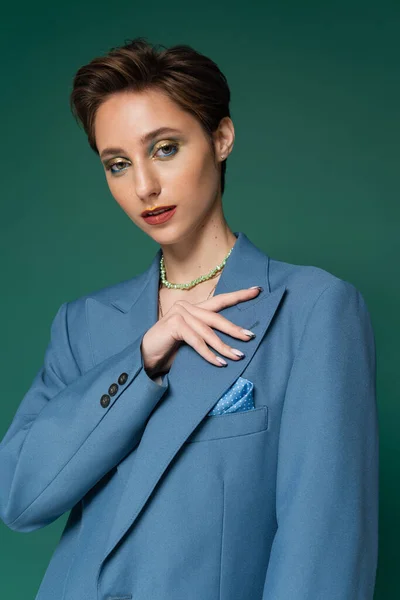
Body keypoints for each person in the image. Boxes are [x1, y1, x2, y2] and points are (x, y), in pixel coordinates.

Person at [0, 37, 379, 599]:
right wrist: (144, 357)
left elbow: (321, 550)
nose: (144, 187)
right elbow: (20, 498)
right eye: (118, 164)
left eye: (166, 148)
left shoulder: (313, 309)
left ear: (220, 138)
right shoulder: (83, 325)